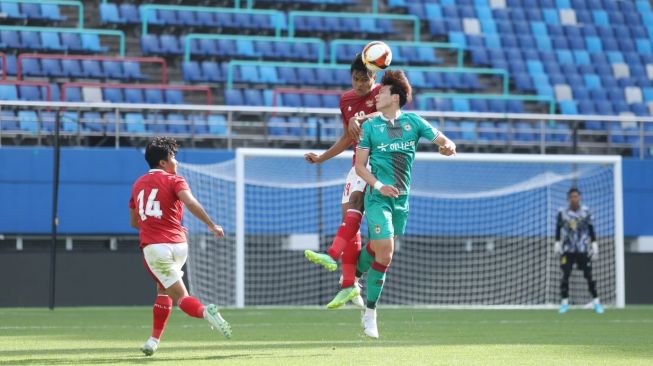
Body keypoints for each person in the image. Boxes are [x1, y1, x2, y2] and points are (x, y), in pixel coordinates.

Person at [354, 70, 456, 338]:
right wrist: (378, 185)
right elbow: (359, 166)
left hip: (401, 202)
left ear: (395, 97)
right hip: (377, 197)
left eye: (383, 92)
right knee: (386, 252)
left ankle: (352, 274)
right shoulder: (370, 127)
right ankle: (371, 313)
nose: (377, 95)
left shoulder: (414, 122)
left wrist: (448, 147)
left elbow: (445, 141)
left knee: (378, 249)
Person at [129, 137, 232, 356]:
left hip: (156, 249)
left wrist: (152, 224)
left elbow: (135, 222)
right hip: (179, 245)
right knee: (162, 289)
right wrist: (212, 225)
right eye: (173, 157)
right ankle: (153, 341)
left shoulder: (138, 185)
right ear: (163, 163)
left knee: (182, 299)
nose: (176, 161)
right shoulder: (175, 180)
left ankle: (206, 312)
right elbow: (191, 203)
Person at [303, 53, 381, 309]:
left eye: (365, 79)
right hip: (357, 163)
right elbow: (348, 137)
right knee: (349, 217)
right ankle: (350, 286)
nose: (360, 85)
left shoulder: (383, 94)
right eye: (356, 79)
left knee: (361, 215)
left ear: (374, 77)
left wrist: (362, 118)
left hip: (380, 161)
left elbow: (391, 116)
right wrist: (322, 157)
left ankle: (332, 256)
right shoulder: (346, 100)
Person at [554, 187, 604, 314]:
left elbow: (591, 228)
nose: (574, 199)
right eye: (571, 197)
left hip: (582, 249)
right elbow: (558, 228)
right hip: (567, 250)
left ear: (579, 197)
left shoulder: (586, 212)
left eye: (576, 196)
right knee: (564, 276)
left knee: (589, 276)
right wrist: (557, 243)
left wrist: (594, 244)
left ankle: (596, 303)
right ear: (568, 199)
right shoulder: (562, 213)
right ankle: (564, 304)